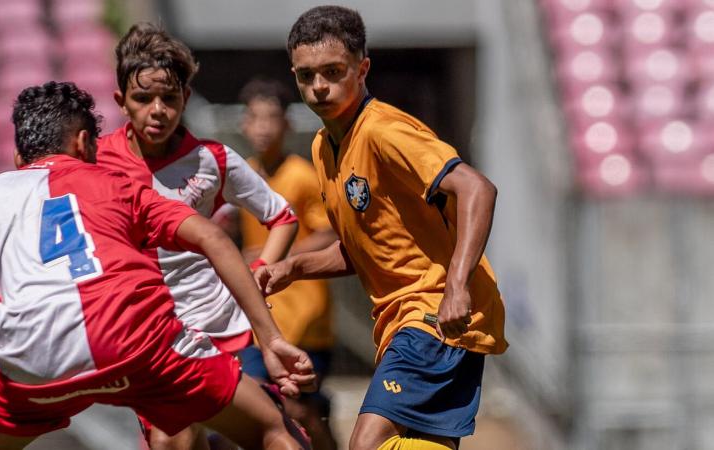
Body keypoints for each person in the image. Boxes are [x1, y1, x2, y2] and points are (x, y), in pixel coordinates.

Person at [0, 81, 314, 450]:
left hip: (36, 359)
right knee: (274, 432)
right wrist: (271, 337)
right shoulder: (116, 183)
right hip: (135, 342)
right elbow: (211, 237)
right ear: (84, 143)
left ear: (16, 156)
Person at [257, 6, 508, 450]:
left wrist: (455, 287)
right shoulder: (323, 147)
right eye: (306, 75)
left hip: (431, 313)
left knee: (367, 444)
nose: (318, 87)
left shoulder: (383, 132)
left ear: (362, 68)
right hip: (404, 321)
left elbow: (476, 189)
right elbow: (361, 249)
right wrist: (295, 268)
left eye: (333, 72)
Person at [95, 24, 301, 450]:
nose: (158, 110)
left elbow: (281, 216)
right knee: (175, 439)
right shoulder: (96, 162)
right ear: (121, 102)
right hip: (150, 334)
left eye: (169, 98)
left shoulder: (213, 160)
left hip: (221, 326)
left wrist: (259, 273)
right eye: (143, 98)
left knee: (281, 435)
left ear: (185, 99)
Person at [235, 77, 339, 450]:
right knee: (260, 404)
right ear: (244, 124)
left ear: (287, 124)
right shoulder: (241, 173)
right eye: (255, 118)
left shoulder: (302, 175)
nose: (262, 127)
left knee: (297, 407)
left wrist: (280, 256)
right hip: (261, 313)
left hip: (307, 316)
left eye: (271, 118)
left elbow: (331, 232)